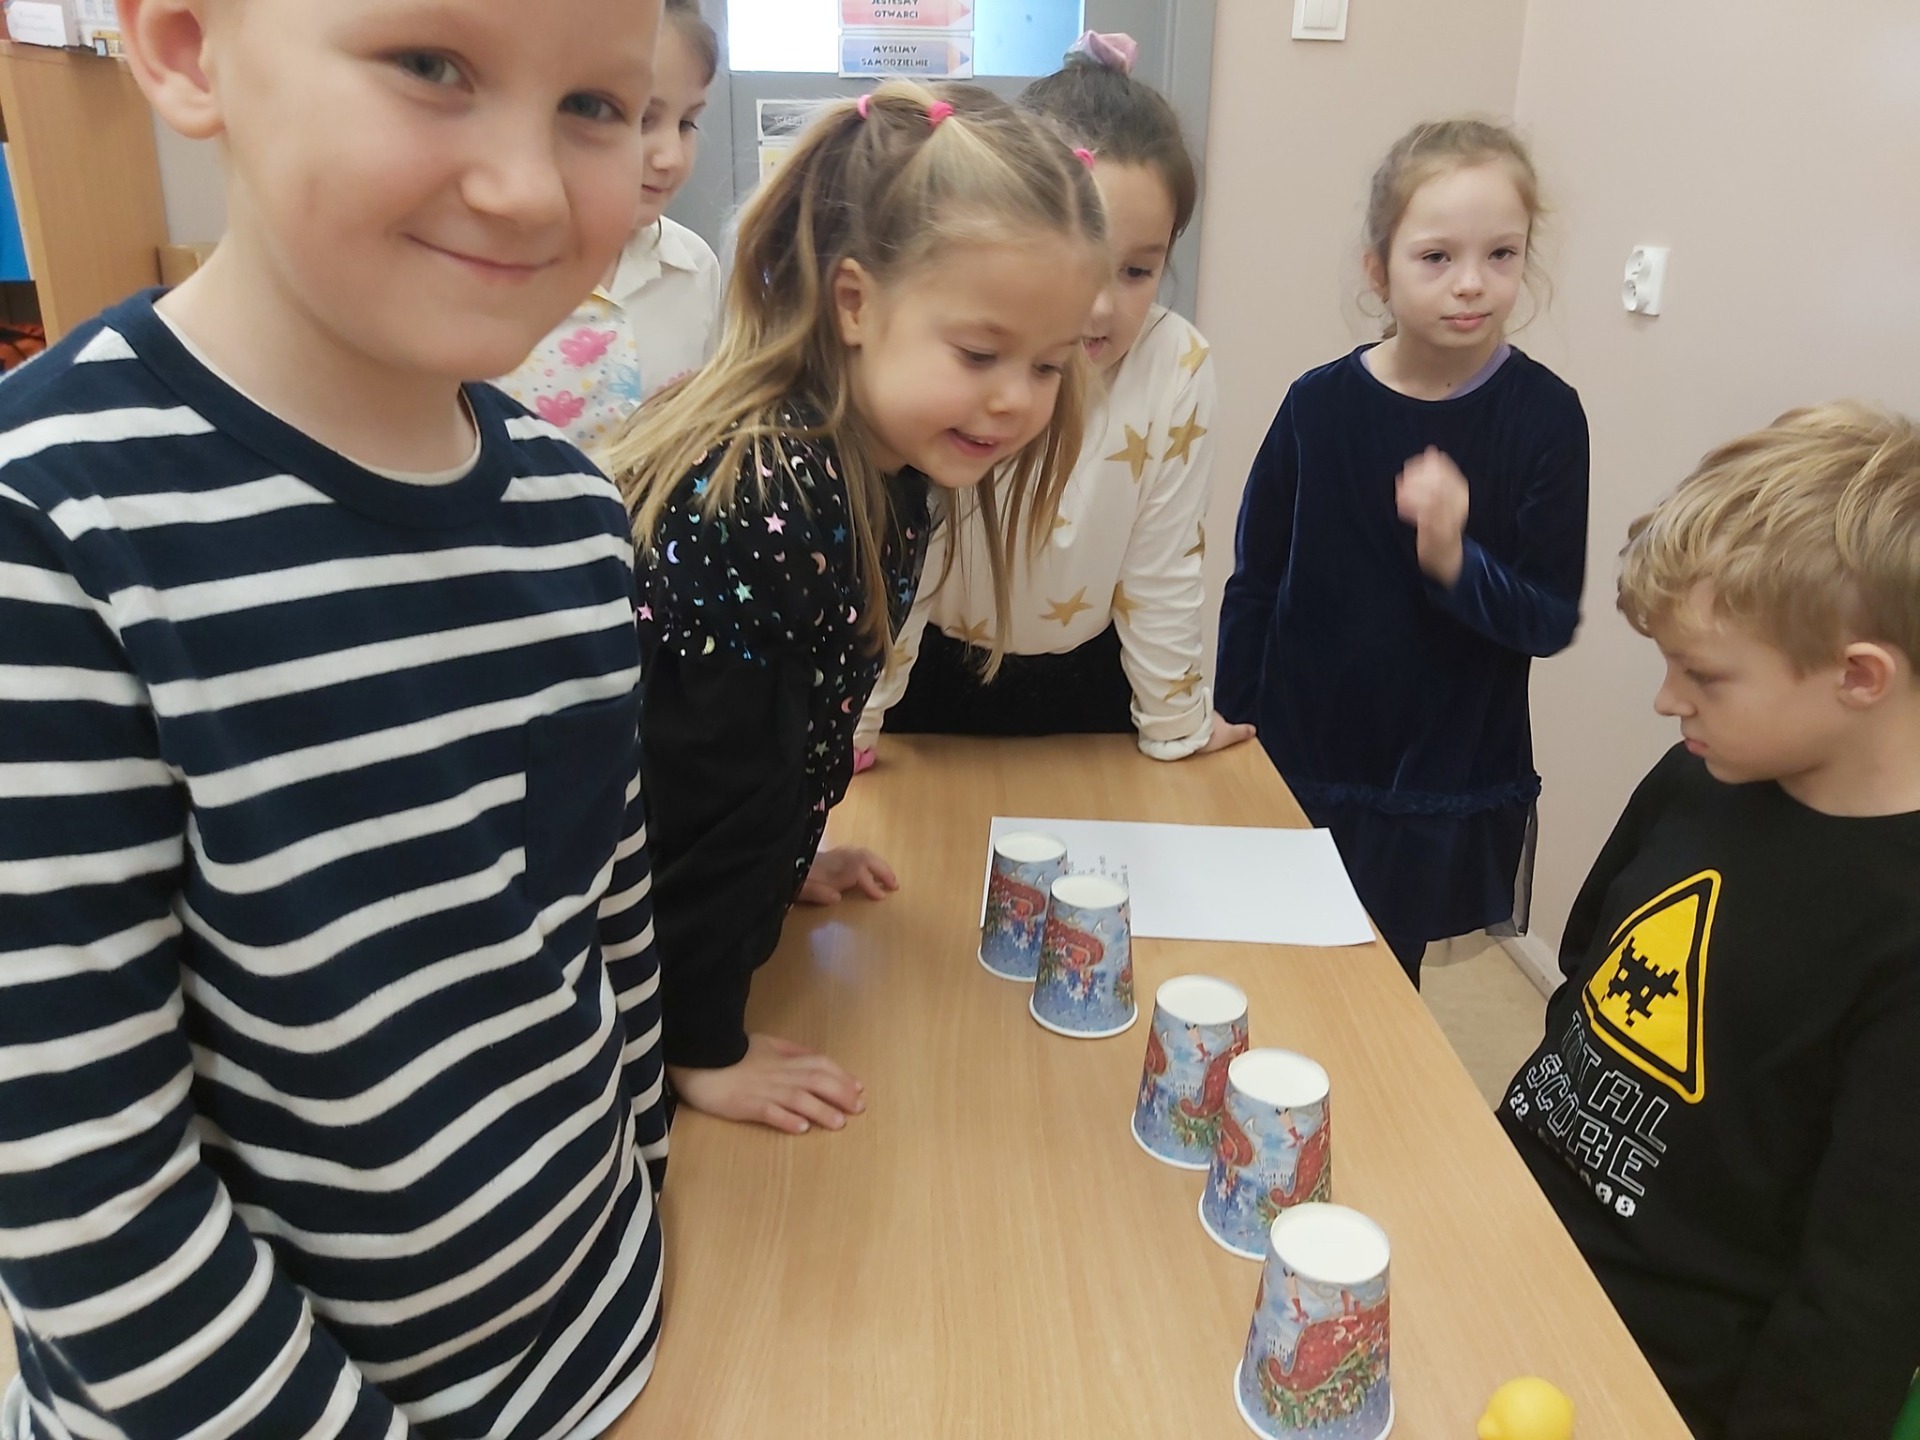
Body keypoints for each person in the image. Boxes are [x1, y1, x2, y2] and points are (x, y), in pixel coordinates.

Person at [0, 1, 673, 1435]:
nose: (528, 189)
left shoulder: (575, 512)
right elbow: (87, 1197)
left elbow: (601, 918)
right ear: (187, 48)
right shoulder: (48, 533)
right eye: (431, 65)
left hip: (616, 1339)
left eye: (597, 106)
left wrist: (657, 1184)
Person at [600, 82, 1105, 1135]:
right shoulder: (771, 495)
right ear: (856, 304)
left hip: (704, 912)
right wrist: (701, 1046)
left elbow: (782, 729)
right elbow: (699, 798)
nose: (1016, 398)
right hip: (635, 981)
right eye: (980, 355)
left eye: (1048, 366)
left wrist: (787, 861)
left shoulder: (887, 460)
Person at [1500, 403, 1920, 1440]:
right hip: (1506, 1222)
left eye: (1706, 676)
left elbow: (1859, 1298)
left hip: (1652, 1367)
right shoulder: (1702, 772)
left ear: (1859, 676)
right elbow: (1589, 970)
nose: (1666, 701)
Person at [1216, 117, 1589, 985]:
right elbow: (1256, 580)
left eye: (1502, 254)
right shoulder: (1317, 406)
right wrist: (1234, 719)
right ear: (1378, 270)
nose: (1472, 283)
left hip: (1438, 771)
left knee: (1381, 979)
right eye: (1437, 257)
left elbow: (1546, 618)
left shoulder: (1545, 417)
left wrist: (1453, 556)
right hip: (1304, 751)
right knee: (1270, 962)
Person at [854, 31, 1253, 761]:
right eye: (1086, 263)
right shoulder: (963, 358)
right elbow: (907, 555)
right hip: (926, 674)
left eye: (1137, 271)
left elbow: (1163, 569)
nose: (1100, 308)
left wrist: (1176, 723)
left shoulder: (1176, 363)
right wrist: (857, 727)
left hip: (1090, 685)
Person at [497, 0, 723, 456]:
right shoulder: (488, 266)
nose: (670, 157)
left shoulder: (694, 267)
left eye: (686, 123)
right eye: (640, 118)